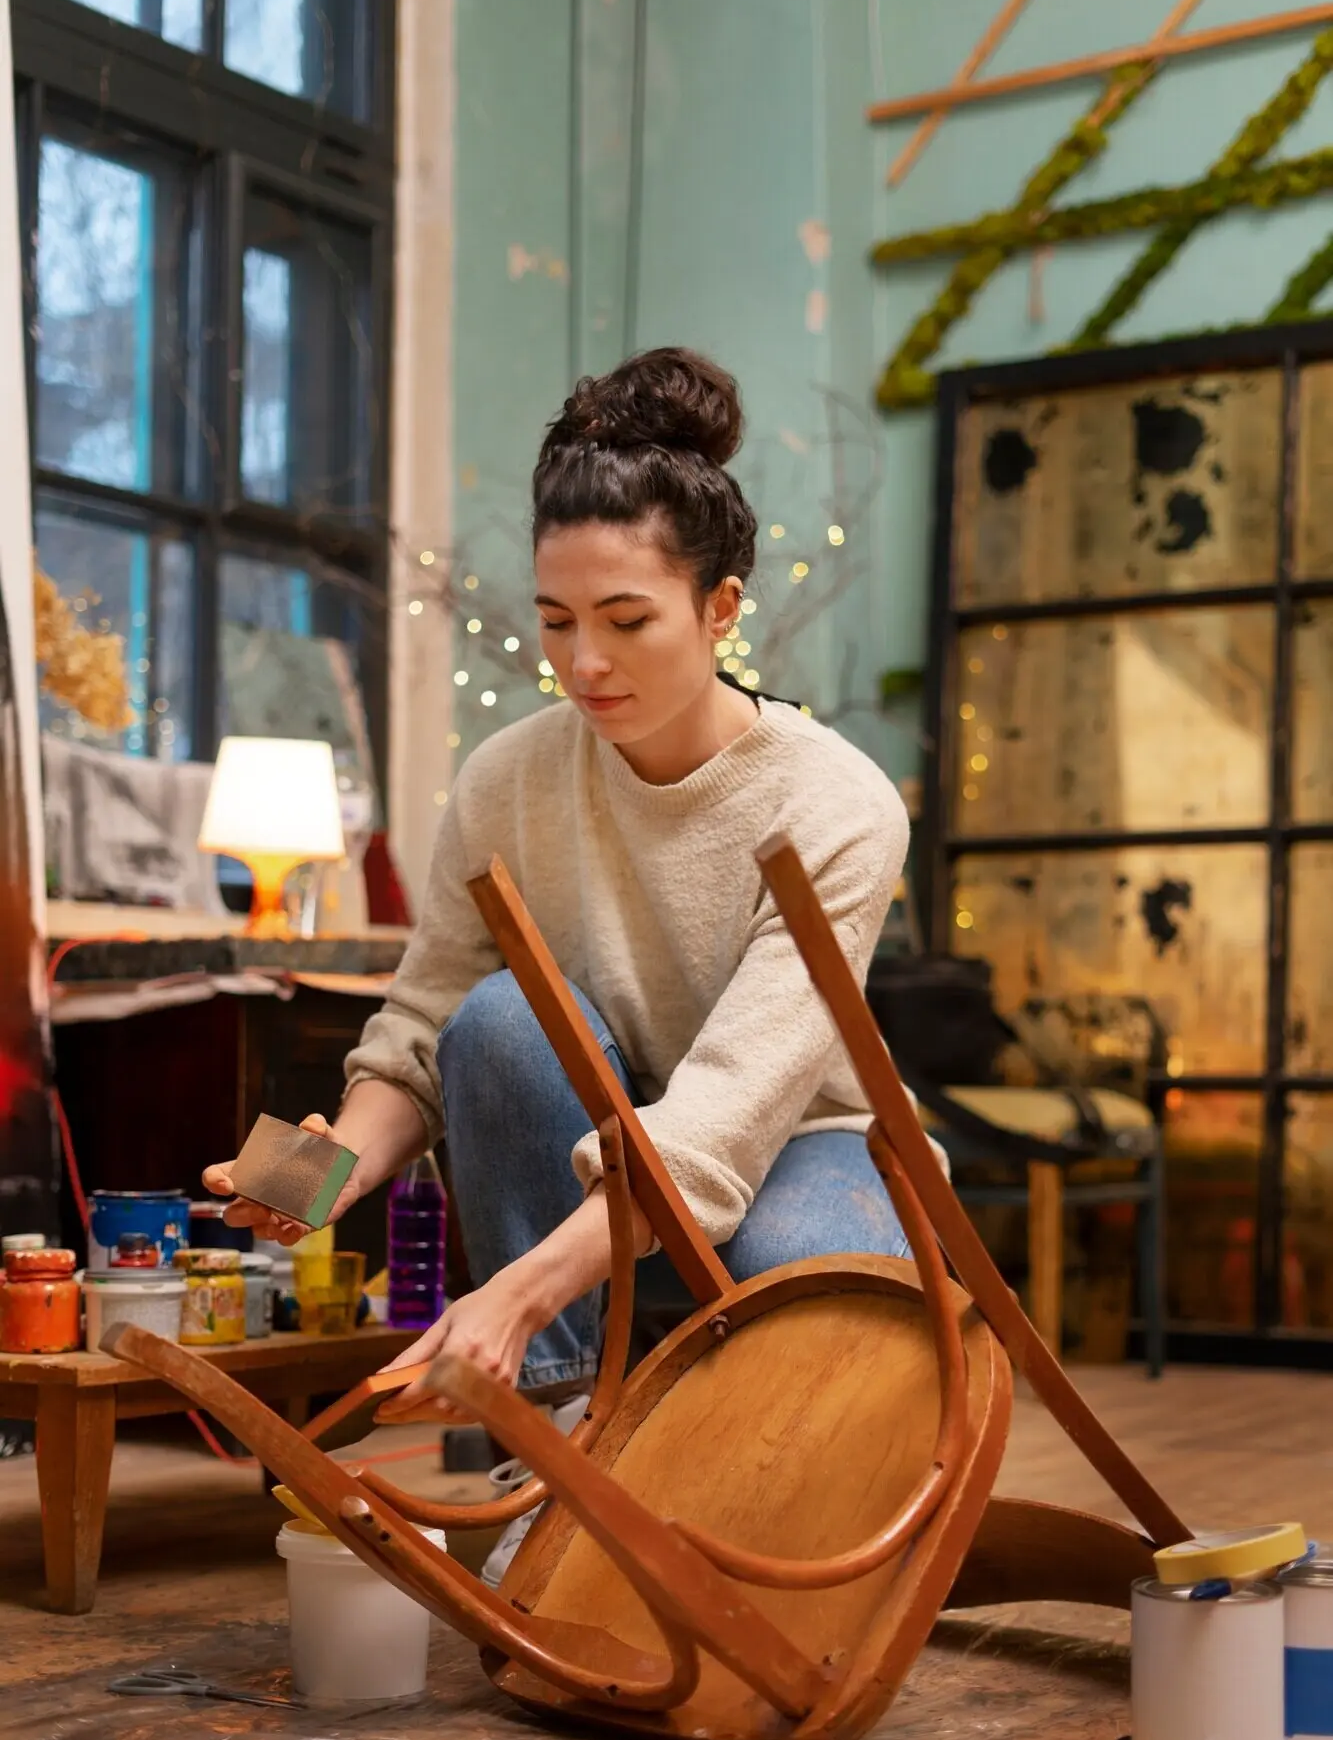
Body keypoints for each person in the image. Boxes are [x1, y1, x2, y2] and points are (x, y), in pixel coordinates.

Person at [205, 346, 913, 1583]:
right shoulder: (508, 779)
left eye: (627, 620)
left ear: (722, 609)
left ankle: (719, 1487)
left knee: (798, 1293)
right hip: (595, 1111)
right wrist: (316, 1177)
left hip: (796, 1134)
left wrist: (516, 1290)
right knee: (492, 1019)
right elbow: (422, 1035)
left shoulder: (837, 803)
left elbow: (717, 1125)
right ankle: (565, 1444)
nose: (585, 662)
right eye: (557, 622)